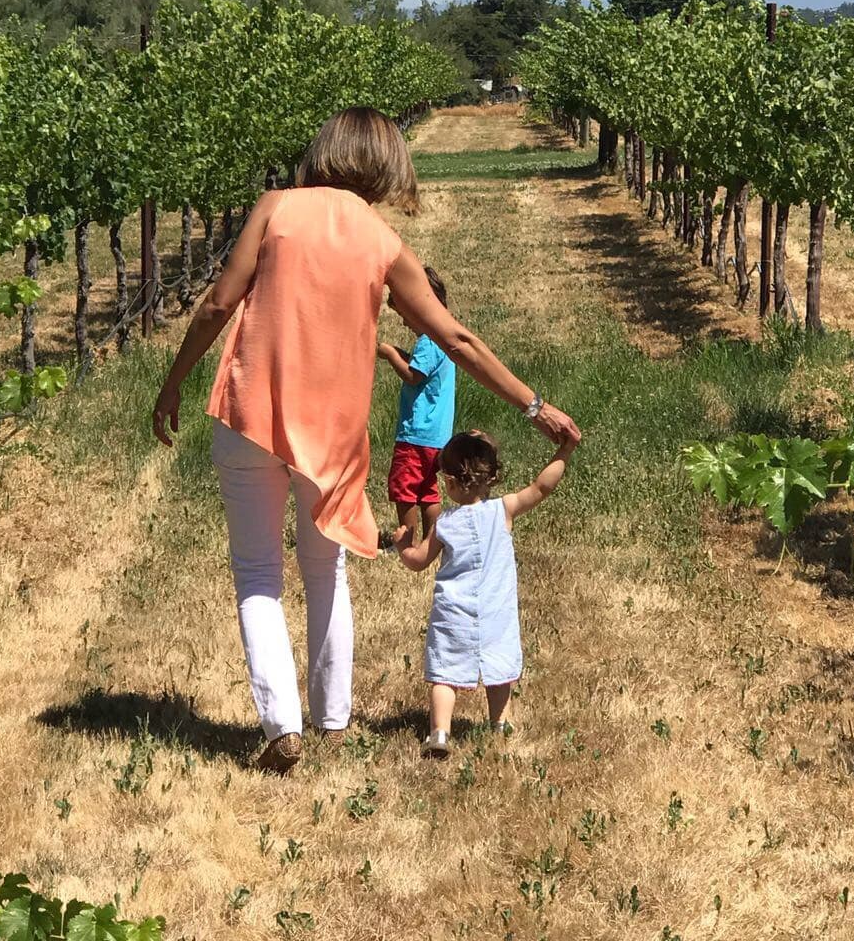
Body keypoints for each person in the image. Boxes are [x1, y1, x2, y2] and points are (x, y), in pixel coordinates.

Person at [150, 107, 580, 775]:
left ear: (325, 150)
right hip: (332, 432)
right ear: (385, 166)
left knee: (258, 572)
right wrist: (534, 406)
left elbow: (216, 304)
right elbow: (456, 339)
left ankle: (280, 725)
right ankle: (333, 721)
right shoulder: (381, 241)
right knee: (327, 569)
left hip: (252, 414)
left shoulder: (275, 208)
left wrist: (173, 381)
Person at [394, 427, 578, 758]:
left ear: (448, 482)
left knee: (444, 675)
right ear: (492, 477)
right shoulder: (503, 510)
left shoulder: (445, 523)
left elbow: (419, 561)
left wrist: (403, 546)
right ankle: (500, 723)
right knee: (500, 668)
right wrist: (564, 452)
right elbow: (542, 487)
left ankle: (439, 732)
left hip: (453, 612)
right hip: (495, 611)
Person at [378, 266, 456, 542]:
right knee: (428, 490)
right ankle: (432, 542)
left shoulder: (428, 339)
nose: (404, 323)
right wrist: (403, 354)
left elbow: (413, 375)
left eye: (404, 315)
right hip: (438, 436)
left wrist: (389, 353)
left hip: (415, 434)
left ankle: (406, 543)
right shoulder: (444, 335)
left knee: (405, 489)